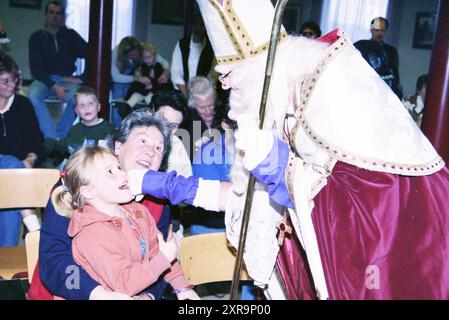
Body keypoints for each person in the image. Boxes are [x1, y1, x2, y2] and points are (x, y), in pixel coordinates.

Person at [131, 0, 449, 300]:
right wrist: (156, 182)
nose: (232, 97)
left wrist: (281, 168)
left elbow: (374, 204)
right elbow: (239, 197)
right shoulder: (277, 110)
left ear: (262, 73)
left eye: (238, 85)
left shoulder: (329, 95)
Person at [31, 110, 175, 300]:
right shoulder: (79, 183)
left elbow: (161, 261)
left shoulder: (158, 202)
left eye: (159, 149)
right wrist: (95, 293)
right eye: (142, 141)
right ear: (118, 147)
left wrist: (148, 296)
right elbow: (54, 260)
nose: (150, 152)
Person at [50, 146, 199, 300]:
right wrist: (164, 258)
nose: (123, 173)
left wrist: (181, 287)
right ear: (88, 191)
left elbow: (158, 250)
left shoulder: (138, 212)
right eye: (110, 172)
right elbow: (124, 284)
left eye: (119, 167)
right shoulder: (91, 233)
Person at [0, 53, 44, 246]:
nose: (13, 85)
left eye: (14, 79)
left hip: (17, 174)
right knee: (10, 165)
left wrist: (30, 159)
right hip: (12, 174)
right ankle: (31, 220)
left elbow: (37, 139)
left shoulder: (23, 105)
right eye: (5, 81)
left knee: (12, 171)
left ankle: (6, 260)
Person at [28, 1, 87, 140]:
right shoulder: (36, 38)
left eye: (58, 13)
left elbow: (93, 53)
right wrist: (54, 86)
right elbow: (36, 69)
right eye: (51, 12)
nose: (55, 16)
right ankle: (52, 139)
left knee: (79, 98)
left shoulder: (70, 36)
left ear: (62, 16)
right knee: (33, 97)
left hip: (67, 79)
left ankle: (60, 137)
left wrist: (82, 77)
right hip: (44, 80)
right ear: (45, 15)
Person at [354, 17, 403, 99]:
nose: (379, 33)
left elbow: (395, 72)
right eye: (377, 30)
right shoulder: (361, 47)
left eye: (382, 30)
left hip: (385, 91)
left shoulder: (391, 51)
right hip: (365, 91)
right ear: (371, 30)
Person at [170, 9, 214, 96]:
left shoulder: (210, 48)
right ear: (191, 26)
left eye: (201, 25)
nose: (197, 28)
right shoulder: (182, 45)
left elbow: (211, 77)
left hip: (203, 94)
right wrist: (187, 96)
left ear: (206, 27)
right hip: (183, 93)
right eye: (195, 25)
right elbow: (176, 74)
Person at [182, 76, 220, 161]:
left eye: (211, 105)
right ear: (193, 105)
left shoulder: (223, 116)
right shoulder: (188, 125)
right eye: (202, 108)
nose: (208, 112)